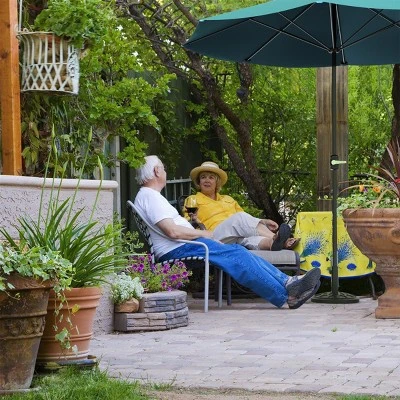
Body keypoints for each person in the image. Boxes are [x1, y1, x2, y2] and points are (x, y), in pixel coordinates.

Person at [134, 155, 321, 309]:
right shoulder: (151, 197)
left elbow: (173, 231)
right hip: (180, 248)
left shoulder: (149, 196)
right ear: (157, 171)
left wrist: (207, 238)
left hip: (189, 245)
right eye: (163, 168)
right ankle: (287, 294)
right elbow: (173, 232)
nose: (165, 172)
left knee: (239, 251)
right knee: (237, 256)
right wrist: (204, 234)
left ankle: (288, 282)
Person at [184, 161, 300, 251]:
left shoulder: (228, 199)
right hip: (213, 236)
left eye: (211, 177)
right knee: (239, 218)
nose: (206, 180)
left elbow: (247, 223)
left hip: (234, 236)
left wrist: (263, 221)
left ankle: (274, 243)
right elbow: (186, 225)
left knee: (249, 237)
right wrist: (195, 220)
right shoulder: (193, 200)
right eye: (203, 177)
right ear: (199, 181)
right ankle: (277, 238)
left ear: (217, 182)